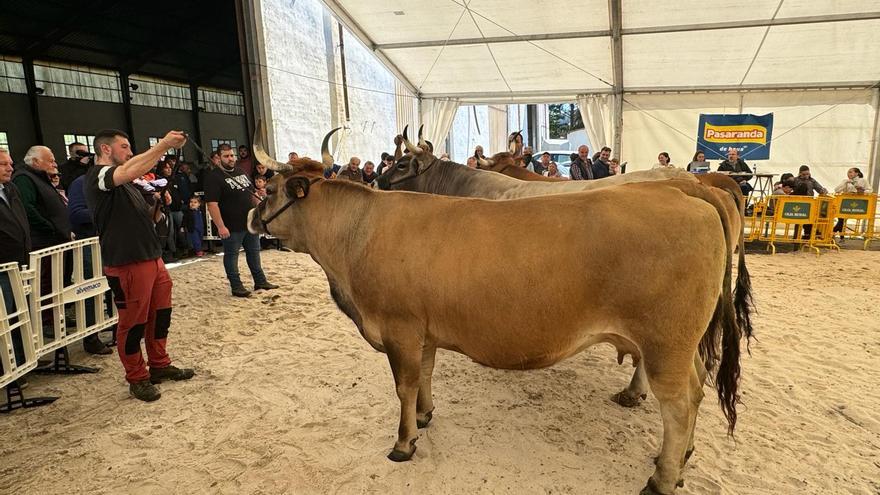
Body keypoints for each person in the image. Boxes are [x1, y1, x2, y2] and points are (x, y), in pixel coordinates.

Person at [84, 129, 195, 402]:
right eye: (124, 147)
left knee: (160, 314)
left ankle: (159, 364)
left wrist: (156, 206)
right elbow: (131, 169)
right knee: (133, 323)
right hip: (126, 261)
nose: (129, 152)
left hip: (150, 257)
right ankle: (137, 377)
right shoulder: (100, 176)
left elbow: (142, 212)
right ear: (106, 150)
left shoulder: (127, 185)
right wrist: (164, 145)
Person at [204, 143, 278, 298]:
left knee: (254, 252)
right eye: (226, 156)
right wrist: (221, 226)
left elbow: (251, 193)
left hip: (249, 222)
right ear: (219, 158)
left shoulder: (240, 171)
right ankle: (236, 286)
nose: (230, 158)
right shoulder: (214, 177)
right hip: (230, 225)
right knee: (232, 255)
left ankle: (260, 281)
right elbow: (212, 204)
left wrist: (260, 208)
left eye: (232, 155)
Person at [0, 148, 31, 373]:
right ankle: (6, 367)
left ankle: (23, 360)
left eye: (10, 163)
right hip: (2, 266)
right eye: (3, 164)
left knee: (20, 314)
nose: (10, 168)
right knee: (5, 318)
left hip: (19, 261)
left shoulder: (10, 188)